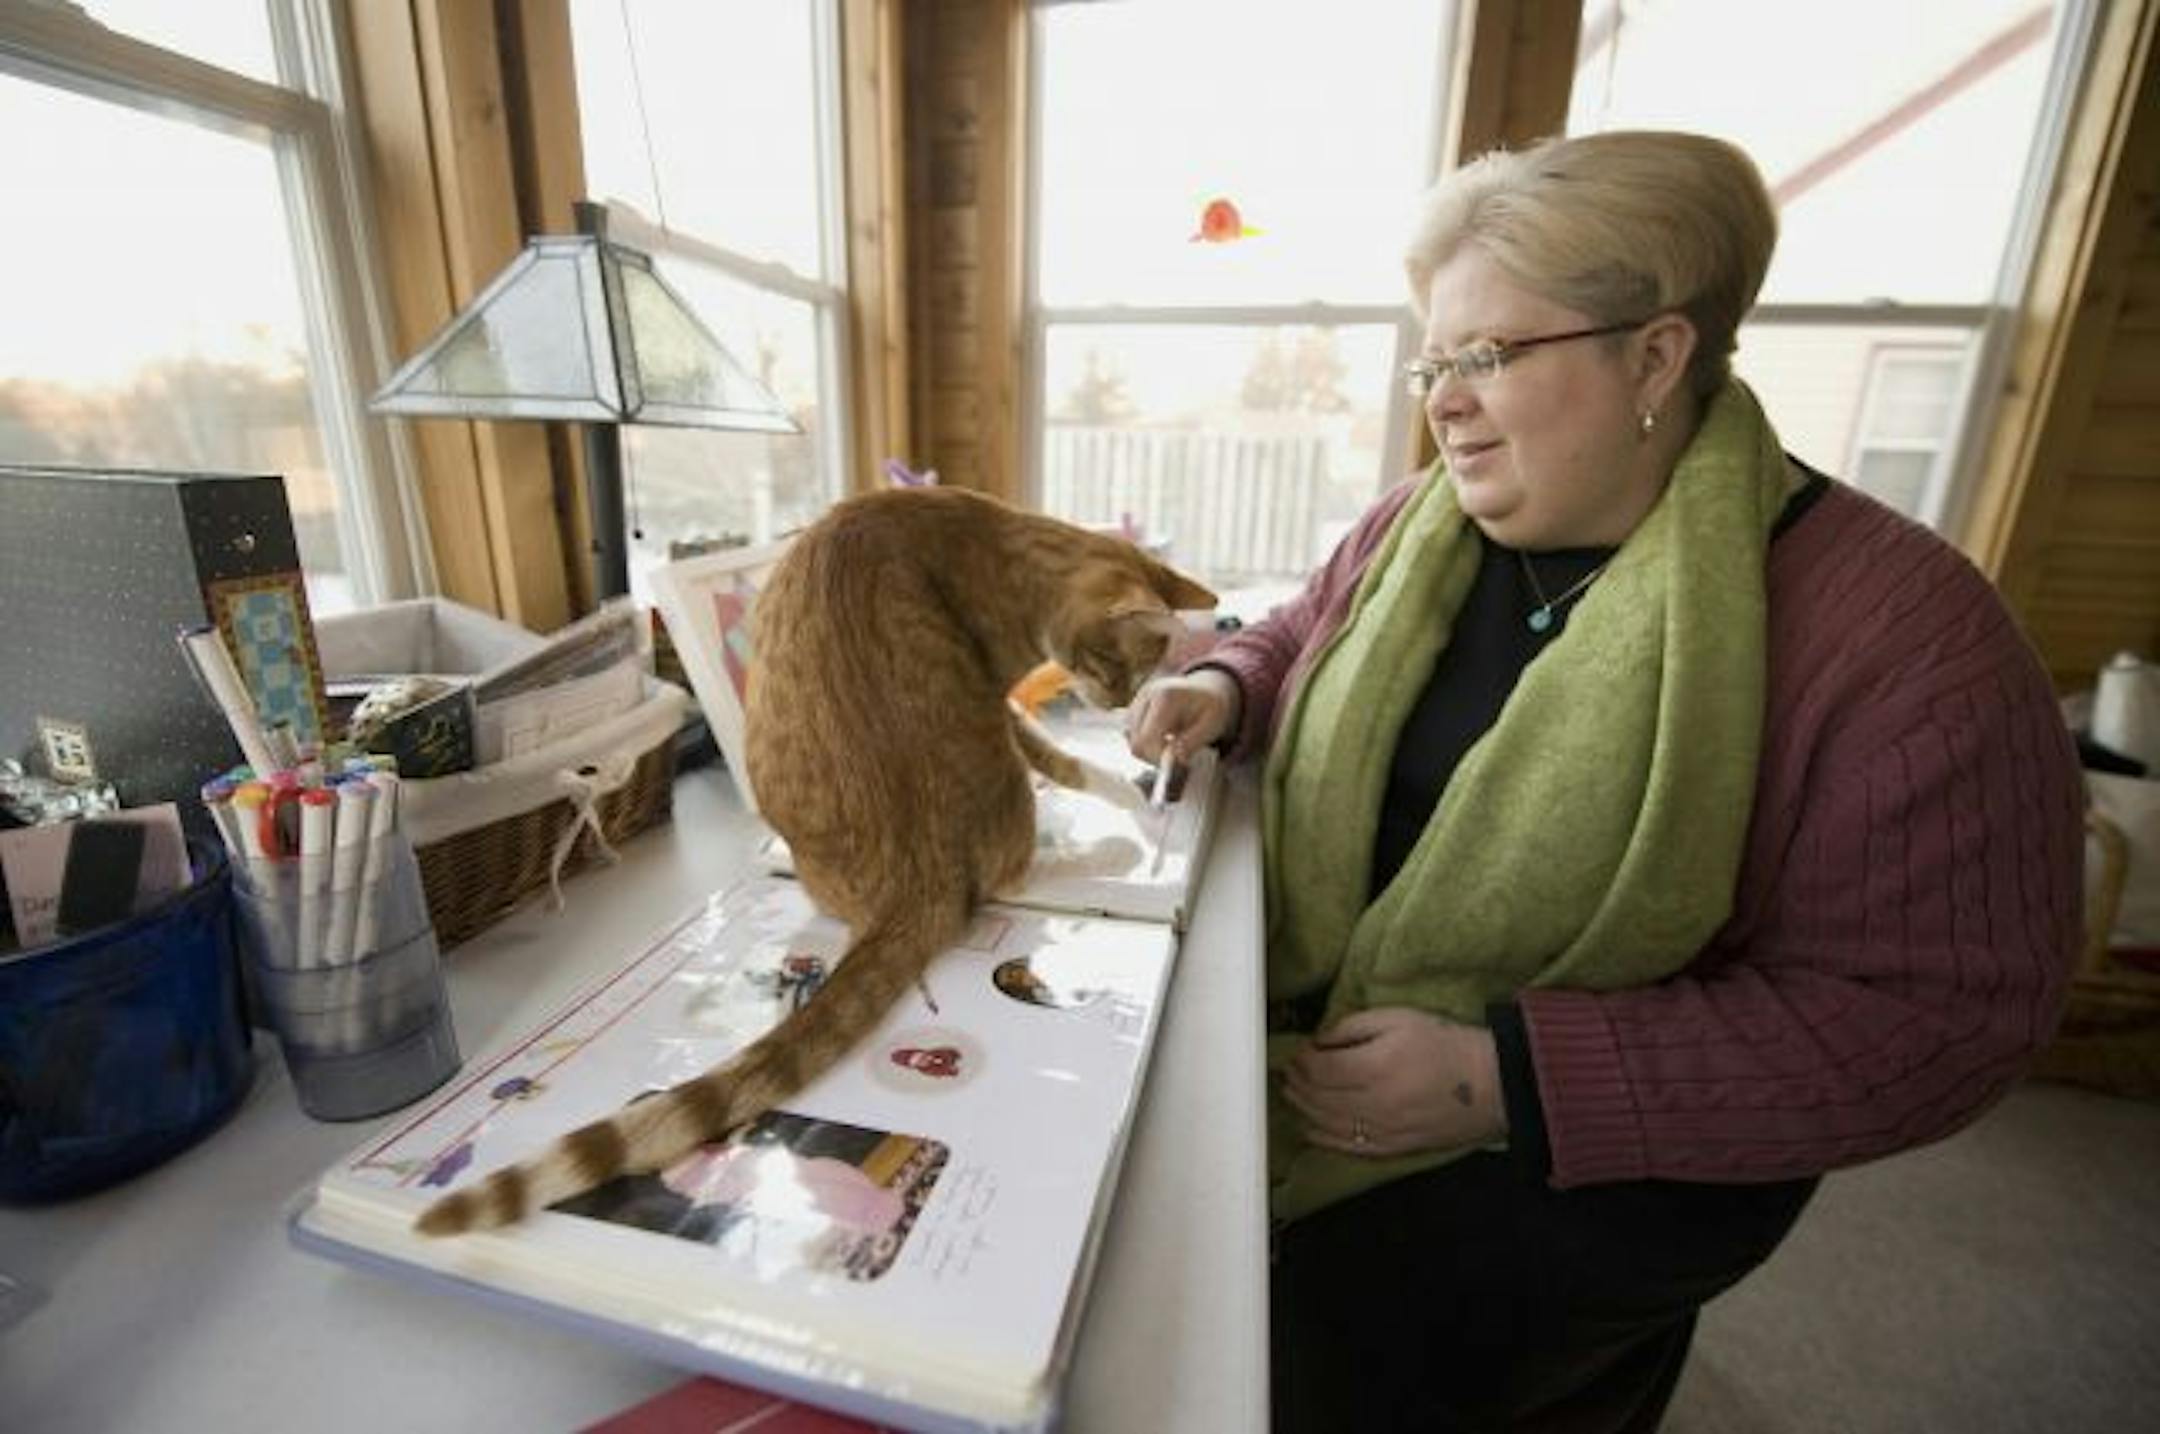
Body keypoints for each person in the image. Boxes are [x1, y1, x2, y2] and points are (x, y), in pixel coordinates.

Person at [1125, 130, 2085, 1433]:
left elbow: (1942, 1021)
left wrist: (1503, 1075)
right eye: (1434, 360)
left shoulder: (1911, 639)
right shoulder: (1416, 525)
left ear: (1656, 354)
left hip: (1615, 1143)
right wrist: (1231, 684)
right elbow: (1305, 627)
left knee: (1281, 1358)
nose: (1443, 401)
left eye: (1487, 357)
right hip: (1333, 1029)